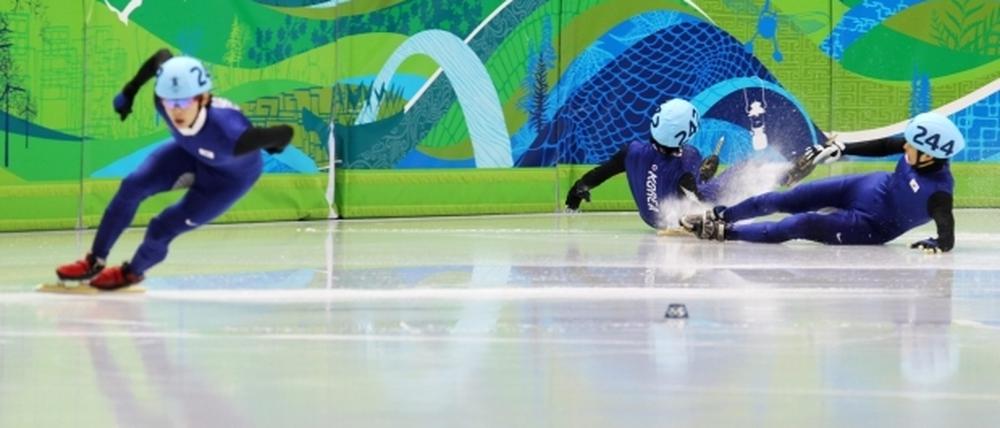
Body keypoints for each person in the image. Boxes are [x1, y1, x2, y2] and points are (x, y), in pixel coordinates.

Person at [55, 49, 294, 290]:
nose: (176, 110)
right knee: (132, 186)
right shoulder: (162, 100)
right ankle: (95, 260)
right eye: (170, 102)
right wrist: (130, 91)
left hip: (227, 182)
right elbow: (162, 56)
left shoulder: (231, 134)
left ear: (204, 98)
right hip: (190, 154)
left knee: (162, 227)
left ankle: (132, 272)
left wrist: (277, 146)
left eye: (183, 102)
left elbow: (285, 133)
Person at [681, 112, 963, 253]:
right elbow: (884, 144)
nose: (905, 148)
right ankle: (720, 214)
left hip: (872, 225)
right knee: (783, 199)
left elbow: (947, 234)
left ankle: (724, 233)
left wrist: (937, 243)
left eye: (912, 146)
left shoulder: (938, 193)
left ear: (929, 155)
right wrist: (841, 148)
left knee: (797, 224)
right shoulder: (917, 151)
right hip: (866, 187)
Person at [564, 98, 722, 229]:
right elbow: (699, 202)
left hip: (649, 218)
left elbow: (601, 172)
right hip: (675, 220)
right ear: (685, 133)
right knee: (735, 176)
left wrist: (577, 190)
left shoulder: (632, 151)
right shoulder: (689, 158)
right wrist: (705, 176)